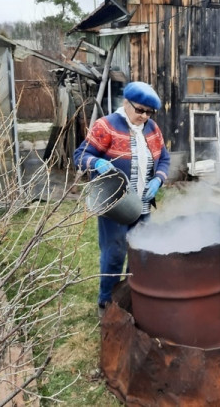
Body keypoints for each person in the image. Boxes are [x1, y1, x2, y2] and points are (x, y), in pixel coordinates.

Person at [73, 81, 170, 317]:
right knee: (114, 253)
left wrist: (158, 179)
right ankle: (106, 303)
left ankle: (131, 298)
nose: (144, 116)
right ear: (125, 103)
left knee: (139, 252)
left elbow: (165, 159)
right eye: (140, 110)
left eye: (149, 112)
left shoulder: (152, 129)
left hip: (143, 204)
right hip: (115, 205)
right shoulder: (106, 126)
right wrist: (96, 162)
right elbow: (80, 155)